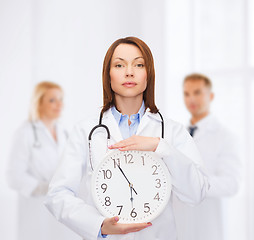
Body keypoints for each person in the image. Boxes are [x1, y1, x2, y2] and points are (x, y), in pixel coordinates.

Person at [45, 37, 209, 240]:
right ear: (108, 75)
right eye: (119, 64)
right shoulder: (87, 131)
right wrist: (99, 226)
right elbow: (57, 194)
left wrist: (161, 147)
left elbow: (197, 193)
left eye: (139, 64)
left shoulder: (171, 132)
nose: (129, 72)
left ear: (149, 74)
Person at [6, 81, 81, 240]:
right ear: (39, 103)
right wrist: (41, 187)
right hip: (35, 208)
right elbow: (13, 176)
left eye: (61, 99)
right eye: (52, 100)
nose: (59, 104)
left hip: (60, 209)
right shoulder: (25, 132)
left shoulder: (64, 132)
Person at [173, 73, 242, 240]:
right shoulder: (177, 134)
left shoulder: (225, 136)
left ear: (210, 96)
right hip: (178, 225)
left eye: (197, 92)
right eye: (186, 93)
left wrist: (194, 182)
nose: (191, 99)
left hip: (208, 227)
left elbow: (231, 183)